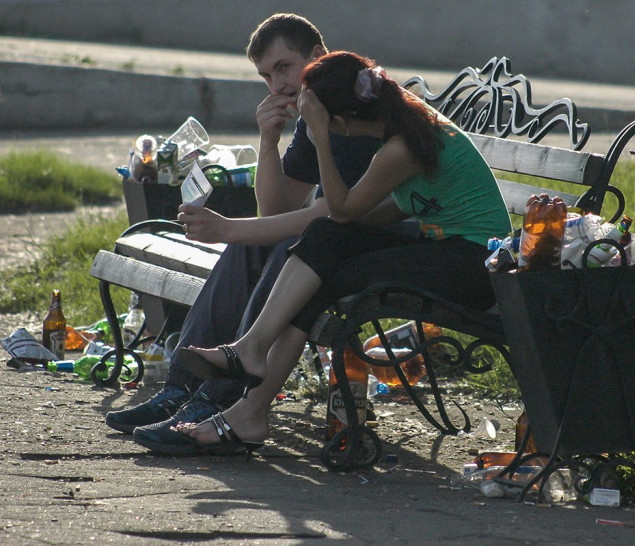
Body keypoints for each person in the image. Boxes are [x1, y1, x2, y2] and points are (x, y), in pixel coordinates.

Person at [169, 51, 512, 454]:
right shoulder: (406, 124)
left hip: (475, 264)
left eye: (327, 124)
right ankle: (250, 374)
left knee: (326, 263)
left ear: (343, 122)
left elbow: (343, 209)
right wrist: (334, 235)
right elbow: (362, 217)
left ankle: (250, 384)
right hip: (450, 248)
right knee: (325, 241)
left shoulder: (400, 147)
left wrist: (320, 139)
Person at [104, 14, 381, 454]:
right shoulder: (312, 114)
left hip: (382, 247)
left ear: (317, 56)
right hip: (334, 242)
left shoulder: (359, 109)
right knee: (251, 243)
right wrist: (268, 142)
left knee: (283, 244)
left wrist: (228, 227)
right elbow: (277, 209)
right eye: (266, 76)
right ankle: (182, 388)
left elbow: (335, 216)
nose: (277, 85)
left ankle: (214, 403)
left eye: (284, 67)